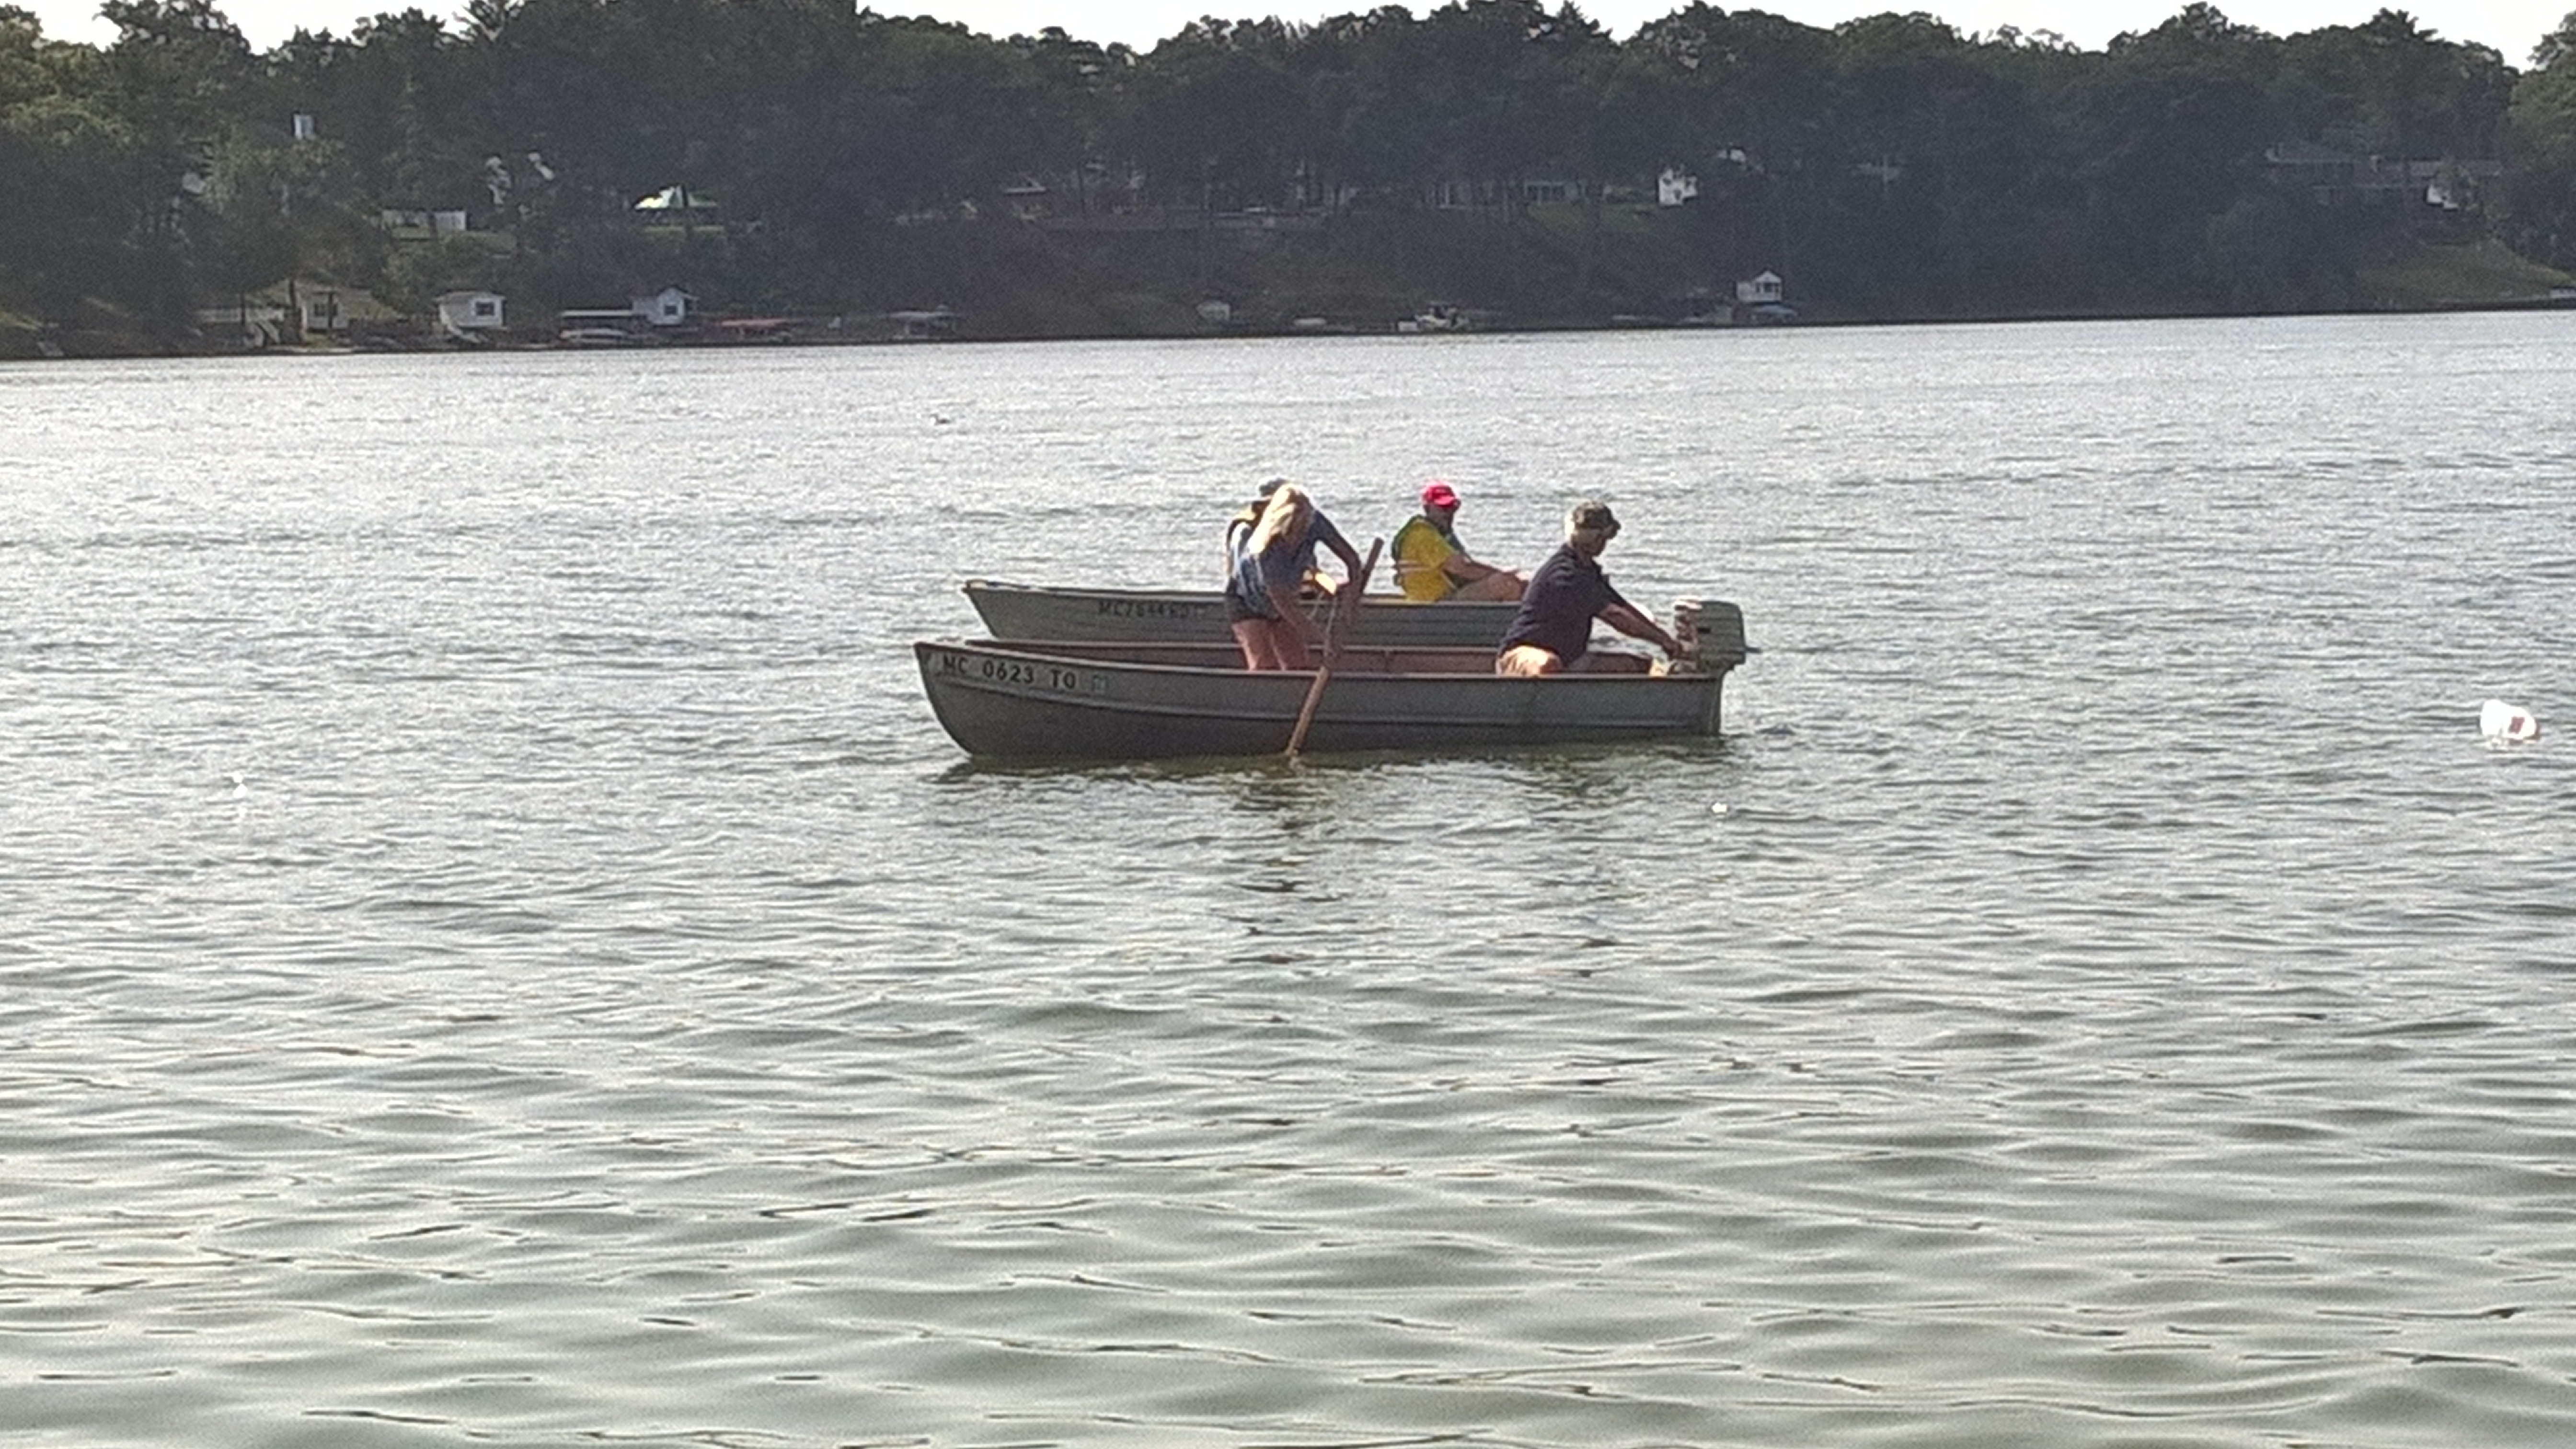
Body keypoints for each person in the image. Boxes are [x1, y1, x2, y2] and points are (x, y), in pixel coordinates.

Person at [1495, 500, 1687, 676]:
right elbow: (1615, 617)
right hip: (1522, 655)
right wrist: (1662, 641)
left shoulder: (1589, 572)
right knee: (1548, 665)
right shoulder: (1566, 574)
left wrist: (1664, 638)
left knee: (1637, 666)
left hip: (1569, 658)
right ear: (1597, 539)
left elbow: (1623, 608)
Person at [1225, 482, 1365, 670]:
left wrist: (1352, 597)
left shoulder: (1315, 521)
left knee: (1297, 664)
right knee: (1264, 664)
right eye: (1293, 528)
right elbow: (1285, 605)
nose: (1299, 534)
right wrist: (1323, 640)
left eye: (1304, 526)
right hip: (1247, 601)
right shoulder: (1265, 551)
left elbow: (1352, 559)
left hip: (1285, 594)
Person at [1391, 481, 1525, 603]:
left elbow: (1467, 564)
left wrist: (1504, 575)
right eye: (1442, 507)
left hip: (1445, 596)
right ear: (1428, 508)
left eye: (1452, 506)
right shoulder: (1423, 535)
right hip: (1435, 602)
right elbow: (1462, 569)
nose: (1448, 512)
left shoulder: (1441, 534)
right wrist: (1499, 575)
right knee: (1504, 584)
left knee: (1516, 583)